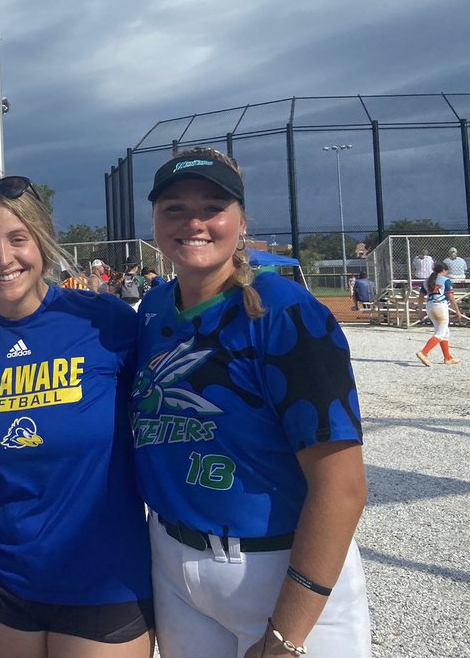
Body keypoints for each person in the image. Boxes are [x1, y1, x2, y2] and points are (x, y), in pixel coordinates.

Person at [132, 148, 370, 657]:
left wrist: (287, 637)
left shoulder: (286, 312)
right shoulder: (152, 310)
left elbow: (343, 487)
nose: (193, 222)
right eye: (174, 207)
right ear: (154, 220)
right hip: (174, 564)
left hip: (278, 566)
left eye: (213, 206)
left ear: (241, 221)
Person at [0, 175, 154, 658]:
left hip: (104, 578)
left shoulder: (106, 321)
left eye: (18, 239)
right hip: (3, 579)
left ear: (43, 240)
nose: (3, 260)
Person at [415, 261, 463, 366]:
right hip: (440, 306)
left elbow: (421, 297)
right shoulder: (445, 280)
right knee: (440, 333)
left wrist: (420, 311)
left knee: (444, 332)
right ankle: (423, 353)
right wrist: (457, 311)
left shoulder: (426, 280)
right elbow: (450, 297)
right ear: (443, 271)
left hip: (430, 306)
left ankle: (448, 358)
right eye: (446, 271)